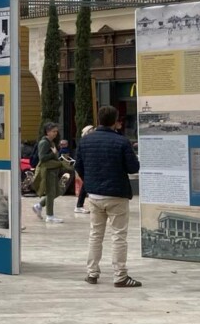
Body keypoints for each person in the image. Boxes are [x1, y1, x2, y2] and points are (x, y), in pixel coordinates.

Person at [75, 105, 142, 287]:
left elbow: (78, 166)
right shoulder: (122, 142)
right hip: (117, 194)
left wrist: (89, 182)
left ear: (98, 119)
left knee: (95, 235)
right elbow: (133, 168)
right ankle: (120, 276)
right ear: (115, 121)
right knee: (118, 236)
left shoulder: (86, 141)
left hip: (95, 195)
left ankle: (92, 273)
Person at [32, 122, 69, 223]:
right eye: (53, 131)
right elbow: (42, 157)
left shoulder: (51, 142)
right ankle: (50, 215)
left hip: (53, 171)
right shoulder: (44, 143)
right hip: (47, 171)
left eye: (56, 131)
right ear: (47, 132)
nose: (55, 133)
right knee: (50, 193)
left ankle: (39, 205)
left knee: (57, 192)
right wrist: (53, 154)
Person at [74, 124, 95, 214]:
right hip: (85, 168)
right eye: (92, 130)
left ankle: (79, 205)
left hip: (87, 168)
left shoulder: (89, 141)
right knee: (86, 186)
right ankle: (79, 206)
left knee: (85, 186)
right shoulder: (84, 142)